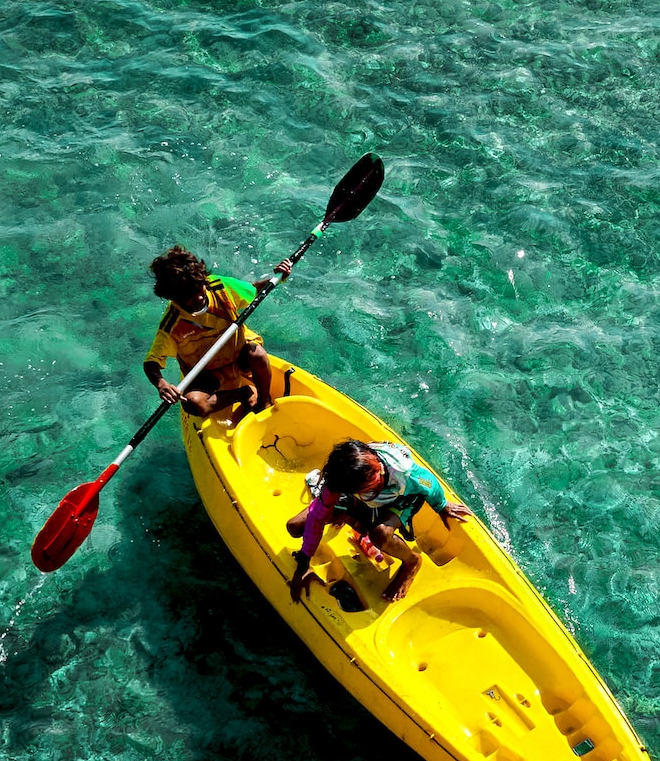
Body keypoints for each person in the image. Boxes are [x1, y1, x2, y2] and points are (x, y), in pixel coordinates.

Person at [287, 438, 470, 605]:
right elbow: (317, 517)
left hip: (402, 498)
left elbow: (429, 483)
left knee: (379, 534)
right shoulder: (339, 481)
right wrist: (304, 562)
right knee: (295, 526)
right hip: (365, 496)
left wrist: (441, 506)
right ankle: (352, 517)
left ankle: (411, 562)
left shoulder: (404, 472)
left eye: (369, 488)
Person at [141, 245, 276, 421]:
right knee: (192, 403)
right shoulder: (171, 324)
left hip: (237, 355)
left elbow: (253, 289)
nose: (198, 299)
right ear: (173, 298)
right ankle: (242, 393)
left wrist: (277, 277)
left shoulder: (219, 287)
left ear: (203, 280)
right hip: (207, 374)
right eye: (188, 298)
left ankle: (263, 401)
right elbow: (151, 363)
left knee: (257, 354)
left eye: (199, 290)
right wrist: (161, 384)